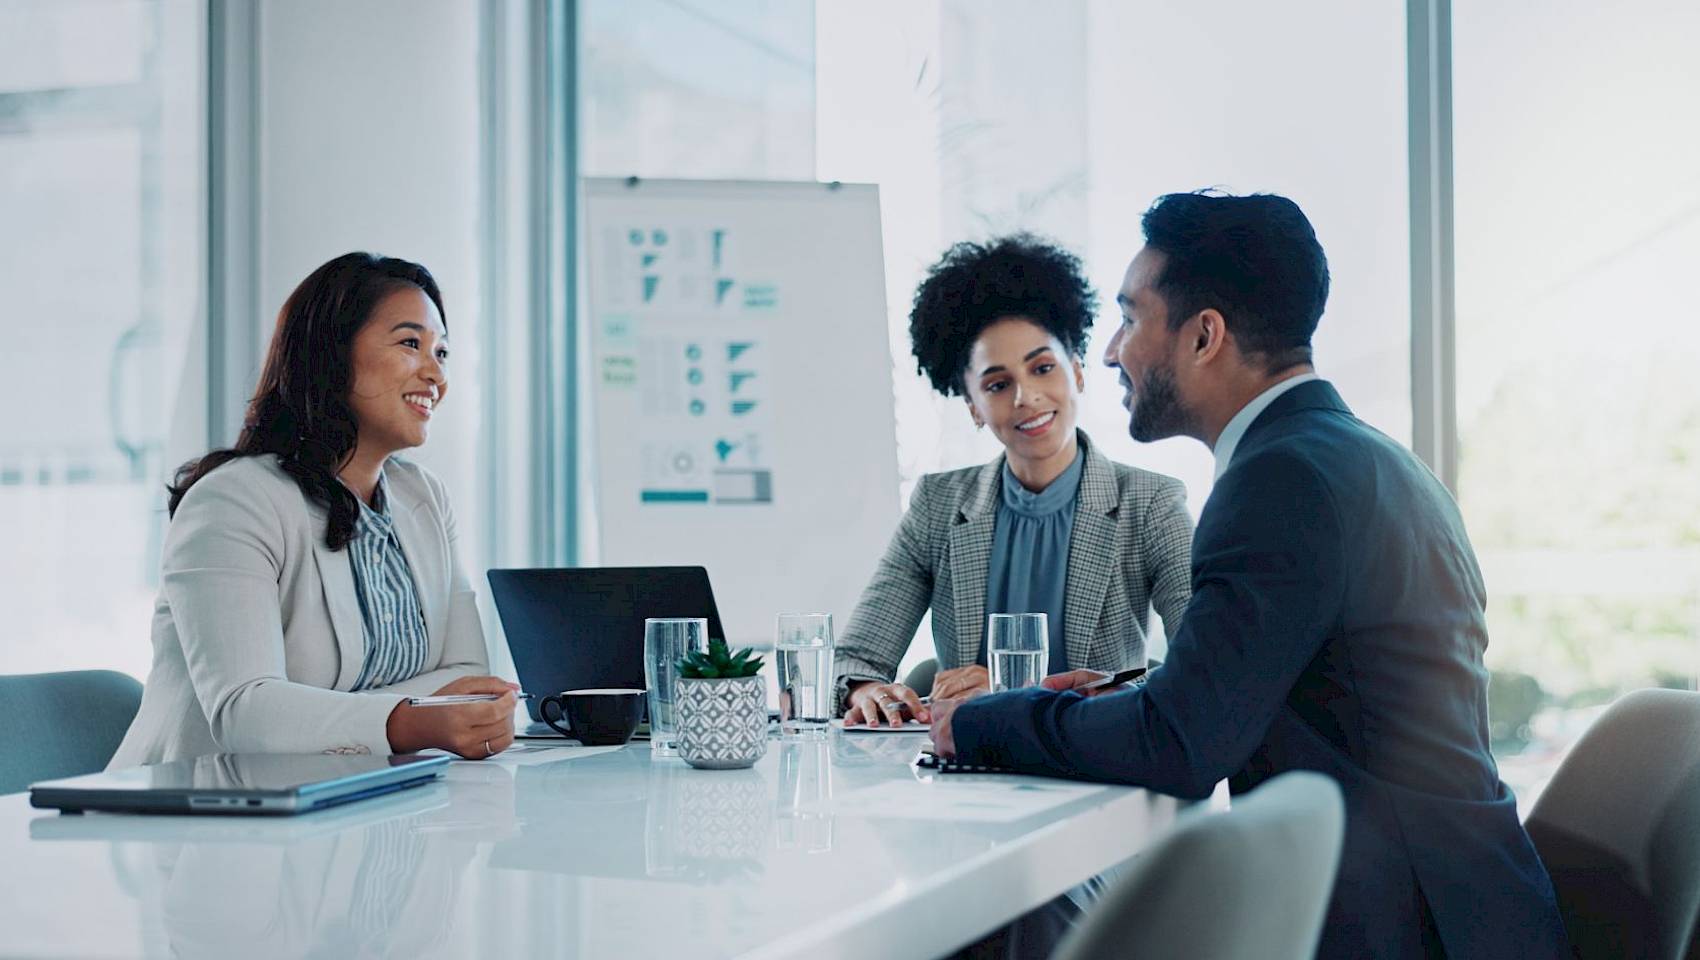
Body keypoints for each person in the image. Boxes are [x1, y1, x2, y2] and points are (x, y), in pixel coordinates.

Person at [929, 193, 1568, 958]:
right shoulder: (1366, 459)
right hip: (1466, 915)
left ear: (1204, 336)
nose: (1109, 353)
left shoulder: (1278, 482)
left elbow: (1181, 745)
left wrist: (983, 722)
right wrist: (1131, 693)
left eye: (1131, 319)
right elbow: (1280, 688)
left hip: (1408, 932)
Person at [110, 253, 516, 767]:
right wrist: (405, 721)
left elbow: (466, 678)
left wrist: (332, 717)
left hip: (358, 807)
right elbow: (244, 712)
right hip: (203, 818)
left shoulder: (424, 498)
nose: (436, 374)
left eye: (442, 352)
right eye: (410, 344)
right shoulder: (233, 501)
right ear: (331, 355)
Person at [835, 235, 1193, 728]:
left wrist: (1017, 696)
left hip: (1096, 768)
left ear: (1077, 373)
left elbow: (1202, 672)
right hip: (967, 773)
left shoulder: (1150, 502)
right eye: (997, 385)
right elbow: (854, 660)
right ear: (973, 407)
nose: (1025, 397)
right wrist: (868, 690)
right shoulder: (938, 505)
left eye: (1043, 368)